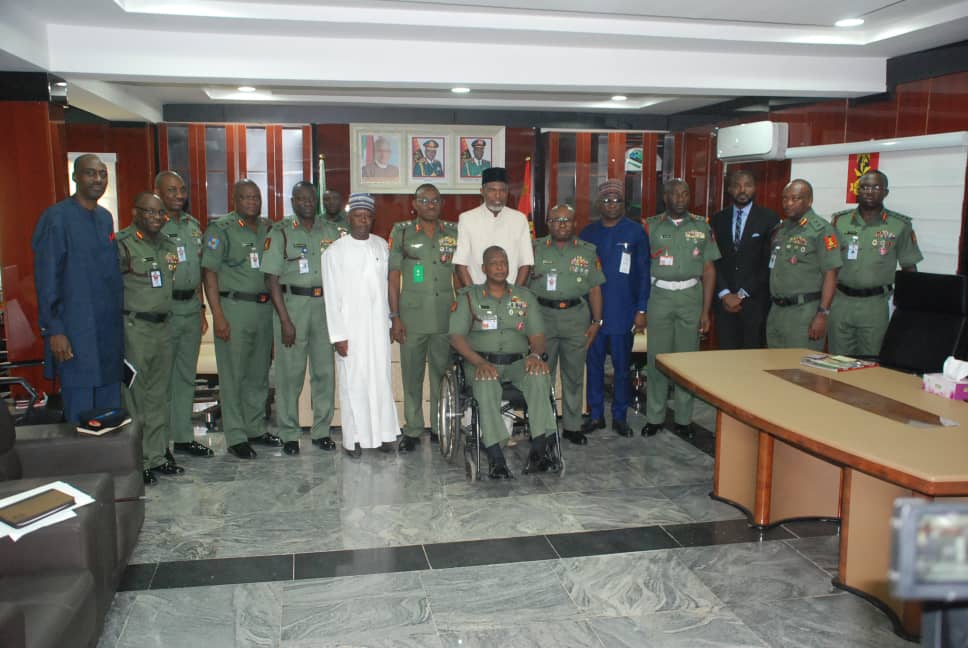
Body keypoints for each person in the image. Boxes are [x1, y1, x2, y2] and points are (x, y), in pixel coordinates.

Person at [449, 245, 558, 478]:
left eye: (504, 263)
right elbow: (456, 337)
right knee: (486, 382)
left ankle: (540, 449)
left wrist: (535, 355)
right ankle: (496, 457)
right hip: (481, 362)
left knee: (539, 375)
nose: (500, 267)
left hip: (518, 363)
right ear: (483, 268)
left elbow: (537, 335)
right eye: (494, 263)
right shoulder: (469, 297)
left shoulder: (524, 297)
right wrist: (479, 362)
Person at [32, 154, 123, 423]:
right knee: (81, 416)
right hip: (75, 333)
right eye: (90, 173)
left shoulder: (105, 218)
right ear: (75, 177)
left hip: (107, 333)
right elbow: (46, 278)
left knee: (110, 416)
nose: (98, 179)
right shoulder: (56, 218)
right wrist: (55, 330)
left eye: (103, 174)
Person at [201, 179, 281, 459]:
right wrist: (218, 316)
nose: (252, 201)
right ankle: (236, 435)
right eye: (246, 197)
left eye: (256, 197)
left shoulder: (268, 228)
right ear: (234, 200)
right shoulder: (221, 229)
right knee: (234, 375)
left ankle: (255, 427)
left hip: (263, 309)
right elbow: (209, 273)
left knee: (259, 374)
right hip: (234, 308)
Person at [263, 182, 345, 455]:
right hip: (293, 307)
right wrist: (285, 321)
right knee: (290, 374)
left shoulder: (332, 231)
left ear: (316, 200)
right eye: (301, 198)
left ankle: (321, 431)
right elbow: (271, 279)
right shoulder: (281, 232)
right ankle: (289, 433)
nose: (307, 203)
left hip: (325, 308)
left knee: (324, 372)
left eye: (310, 198)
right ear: (293, 202)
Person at [322, 193, 400, 458]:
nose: (363, 220)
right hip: (350, 329)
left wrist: (391, 320)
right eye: (358, 216)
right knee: (353, 382)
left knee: (381, 380)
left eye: (367, 216)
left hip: (378, 327)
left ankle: (384, 435)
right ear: (350, 218)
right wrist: (338, 335)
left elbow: (387, 288)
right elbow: (331, 297)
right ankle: (353, 439)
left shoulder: (381, 246)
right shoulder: (335, 251)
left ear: (372, 218)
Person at [640, 180, 720, 437]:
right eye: (675, 194)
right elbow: (641, 267)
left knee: (687, 361)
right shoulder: (650, 226)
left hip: (690, 297)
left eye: (685, 194)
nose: (680, 198)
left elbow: (709, 270)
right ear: (666, 197)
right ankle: (655, 417)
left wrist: (705, 311)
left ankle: (684, 420)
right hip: (659, 296)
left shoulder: (702, 226)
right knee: (657, 359)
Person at [117, 192, 184, 485]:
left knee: (159, 395)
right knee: (136, 397)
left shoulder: (168, 245)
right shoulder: (123, 245)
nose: (157, 217)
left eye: (160, 213)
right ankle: (138, 460)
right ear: (136, 212)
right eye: (150, 212)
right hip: (136, 328)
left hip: (163, 327)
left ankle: (157, 456)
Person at [388, 184, 458, 452]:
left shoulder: (453, 232)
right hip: (412, 317)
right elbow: (393, 277)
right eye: (425, 200)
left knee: (442, 374)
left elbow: (460, 274)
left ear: (442, 204)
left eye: (435, 200)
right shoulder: (402, 232)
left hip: (444, 317)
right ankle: (413, 429)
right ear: (414, 204)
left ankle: (440, 426)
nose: (431, 205)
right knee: (412, 376)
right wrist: (395, 316)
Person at [528, 204, 605, 445]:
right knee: (542, 375)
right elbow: (522, 287)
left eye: (567, 220)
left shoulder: (588, 251)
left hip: (575, 318)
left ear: (574, 224)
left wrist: (597, 321)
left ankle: (572, 427)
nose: (562, 224)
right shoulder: (533, 249)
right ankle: (544, 427)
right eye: (556, 220)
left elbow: (594, 289)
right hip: (542, 318)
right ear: (548, 223)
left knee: (574, 375)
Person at [579, 180, 649, 437]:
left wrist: (641, 309)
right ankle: (596, 415)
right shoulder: (587, 233)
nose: (611, 204)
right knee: (594, 367)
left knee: (621, 369)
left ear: (624, 204)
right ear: (599, 204)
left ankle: (620, 417)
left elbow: (644, 273)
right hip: (593, 315)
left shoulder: (635, 232)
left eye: (617, 200)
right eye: (607, 200)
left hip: (623, 312)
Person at [829, 170, 923, 356]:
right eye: (864, 187)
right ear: (858, 191)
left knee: (871, 361)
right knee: (837, 360)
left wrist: (909, 309)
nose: (869, 192)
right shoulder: (840, 221)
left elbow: (909, 268)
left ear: (885, 192)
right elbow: (829, 264)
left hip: (875, 305)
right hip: (841, 303)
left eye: (876, 187)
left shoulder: (899, 225)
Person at [156, 170, 214, 458]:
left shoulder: (192, 226)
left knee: (185, 377)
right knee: (162, 380)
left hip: (190, 308)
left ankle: (182, 437)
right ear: (158, 193)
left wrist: (201, 308)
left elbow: (198, 273)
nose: (179, 195)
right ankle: (159, 444)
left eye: (181, 190)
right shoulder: (153, 226)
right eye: (171, 190)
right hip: (165, 311)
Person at [766, 179, 843, 350]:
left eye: (795, 198)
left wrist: (822, 314)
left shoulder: (821, 230)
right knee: (773, 364)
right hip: (777, 311)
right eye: (785, 198)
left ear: (809, 201)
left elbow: (831, 275)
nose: (788, 203)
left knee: (801, 365)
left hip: (804, 313)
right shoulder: (781, 229)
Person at [710, 170, 780, 349]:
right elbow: (713, 261)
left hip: (755, 303)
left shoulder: (769, 219)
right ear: (729, 189)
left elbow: (769, 262)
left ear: (754, 188)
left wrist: (741, 294)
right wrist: (725, 293)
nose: (742, 190)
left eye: (747, 185)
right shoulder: (717, 219)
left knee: (753, 357)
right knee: (726, 357)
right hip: (724, 303)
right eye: (737, 185)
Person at [453, 167, 533, 287]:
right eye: (492, 190)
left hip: (511, 292)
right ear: (482, 191)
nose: (498, 195)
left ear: (508, 192)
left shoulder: (519, 219)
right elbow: (460, 264)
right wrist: (474, 294)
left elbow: (526, 262)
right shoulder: (467, 219)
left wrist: (515, 293)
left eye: (502, 190)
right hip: (478, 290)